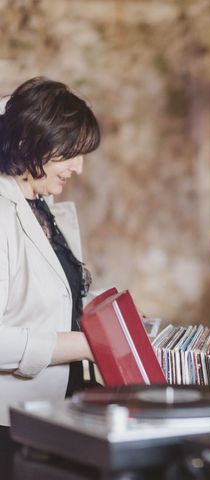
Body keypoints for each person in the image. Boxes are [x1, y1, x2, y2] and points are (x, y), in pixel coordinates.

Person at [0, 77, 100, 437]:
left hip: (56, 407)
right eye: (70, 153)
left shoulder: (41, 205)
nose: (79, 168)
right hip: (10, 423)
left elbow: (54, 298)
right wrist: (84, 346)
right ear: (28, 143)